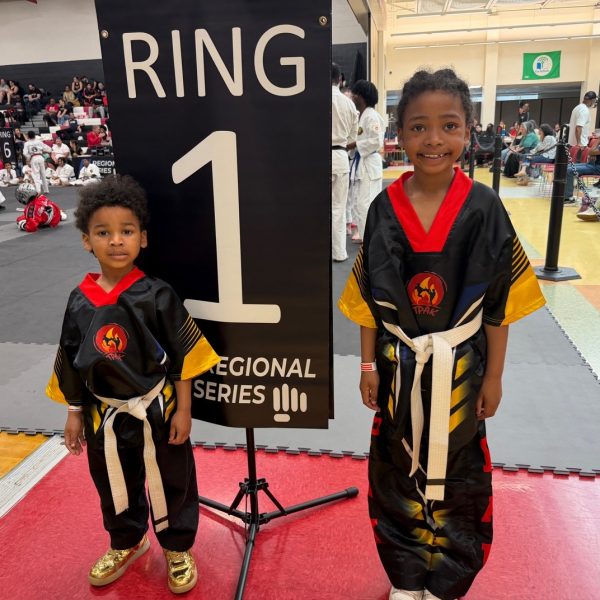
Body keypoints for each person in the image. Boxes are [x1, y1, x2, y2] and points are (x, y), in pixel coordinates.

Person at [338, 68, 545, 600]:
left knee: (461, 474)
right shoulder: (383, 208)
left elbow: (498, 306)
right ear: (399, 134)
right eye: (418, 127)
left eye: (449, 125)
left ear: (469, 131)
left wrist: (494, 377)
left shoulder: (485, 208)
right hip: (398, 367)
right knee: (395, 471)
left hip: (463, 369)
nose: (433, 140)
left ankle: (447, 579)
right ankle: (406, 577)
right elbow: (367, 302)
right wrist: (367, 365)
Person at [45, 175, 220, 593]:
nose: (116, 241)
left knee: (172, 478)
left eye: (126, 231)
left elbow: (184, 356)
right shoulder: (79, 300)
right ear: (87, 241)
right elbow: (71, 359)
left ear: (142, 238)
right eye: (103, 233)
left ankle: (177, 547)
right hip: (103, 414)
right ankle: (127, 541)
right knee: (112, 481)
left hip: (156, 408)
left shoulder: (157, 295)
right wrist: (74, 413)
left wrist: (184, 409)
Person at [347, 80, 385, 243]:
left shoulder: (371, 116)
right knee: (358, 203)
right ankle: (366, 237)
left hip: (369, 164)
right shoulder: (362, 116)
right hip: (362, 163)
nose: (353, 98)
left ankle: (372, 240)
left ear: (362, 97)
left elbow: (377, 141)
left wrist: (354, 144)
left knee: (366, 204)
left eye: (354, 95)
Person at [331, 62, 358, 262]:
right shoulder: (349, 104)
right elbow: (353, 138)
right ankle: (339, 252)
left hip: (317, 159)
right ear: (340, 80)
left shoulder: (314, 101)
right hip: (340, 156)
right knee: (338, 208)